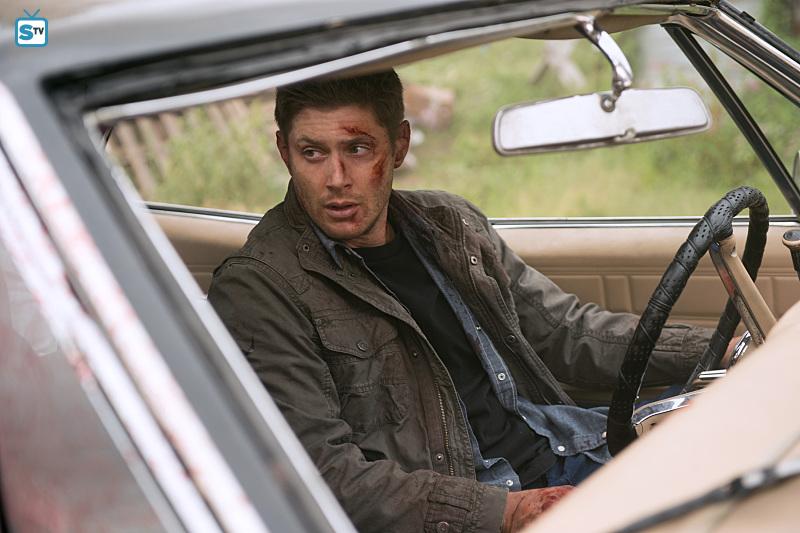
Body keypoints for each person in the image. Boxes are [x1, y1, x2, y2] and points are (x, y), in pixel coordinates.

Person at [207, 70, 713, 532]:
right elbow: (321, 473)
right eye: (312, 153)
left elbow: (561, 330)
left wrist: (719, 348)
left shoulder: (449, 224)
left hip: (571, 449)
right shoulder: (260, 289)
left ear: (399, 145)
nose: (336, 179)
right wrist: (506, 512)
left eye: (357, 149)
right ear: (284, 151)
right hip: (479, 513)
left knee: (728, 437)